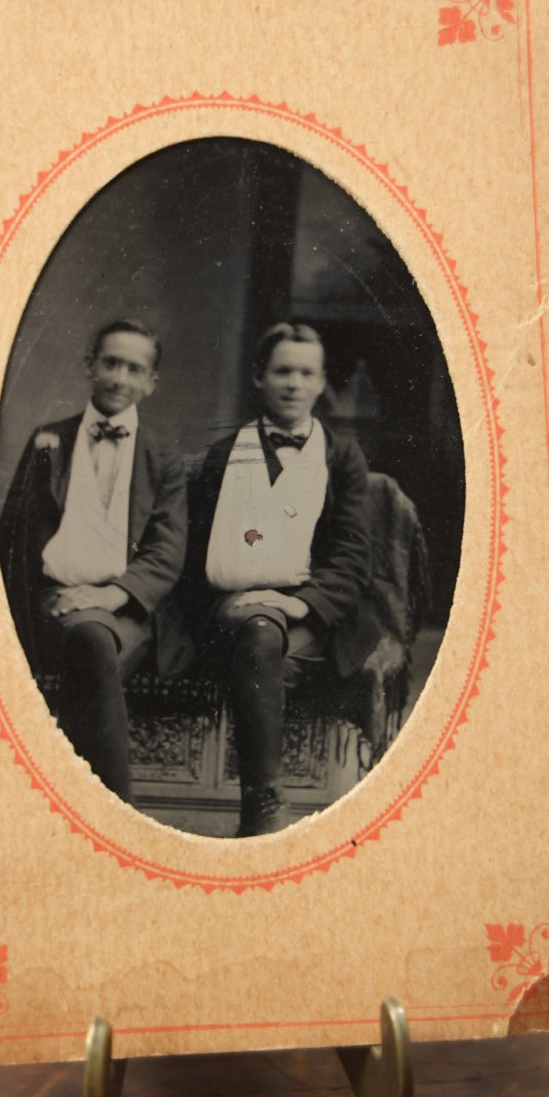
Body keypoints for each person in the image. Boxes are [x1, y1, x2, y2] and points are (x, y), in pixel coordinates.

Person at [187, 323, 379, 836]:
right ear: (259, 377)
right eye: (282, 371)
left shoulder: (342, 457)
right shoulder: (226, 453)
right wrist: (225, 597)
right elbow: (198, 546)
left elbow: (353, 555)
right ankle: (264, 806)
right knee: (255, 630)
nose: (293, 384)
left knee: (263, 635)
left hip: (310, 613)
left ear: (321, 384)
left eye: (306, 373)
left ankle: (260, 805)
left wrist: (301, 603)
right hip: (235, 602)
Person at [0, 318, 188, 804]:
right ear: (90, 365)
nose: (120, 378)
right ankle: (110, 808)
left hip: (124, 611)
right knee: (84, 636)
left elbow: (168, 547)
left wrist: (114, 593)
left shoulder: (162, 456)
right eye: (111, 363)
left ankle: (105, 805)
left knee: (92, 639)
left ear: (152, 382)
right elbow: (13, 535)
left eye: (134, 368)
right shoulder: (49, 441)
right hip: (53, 602)